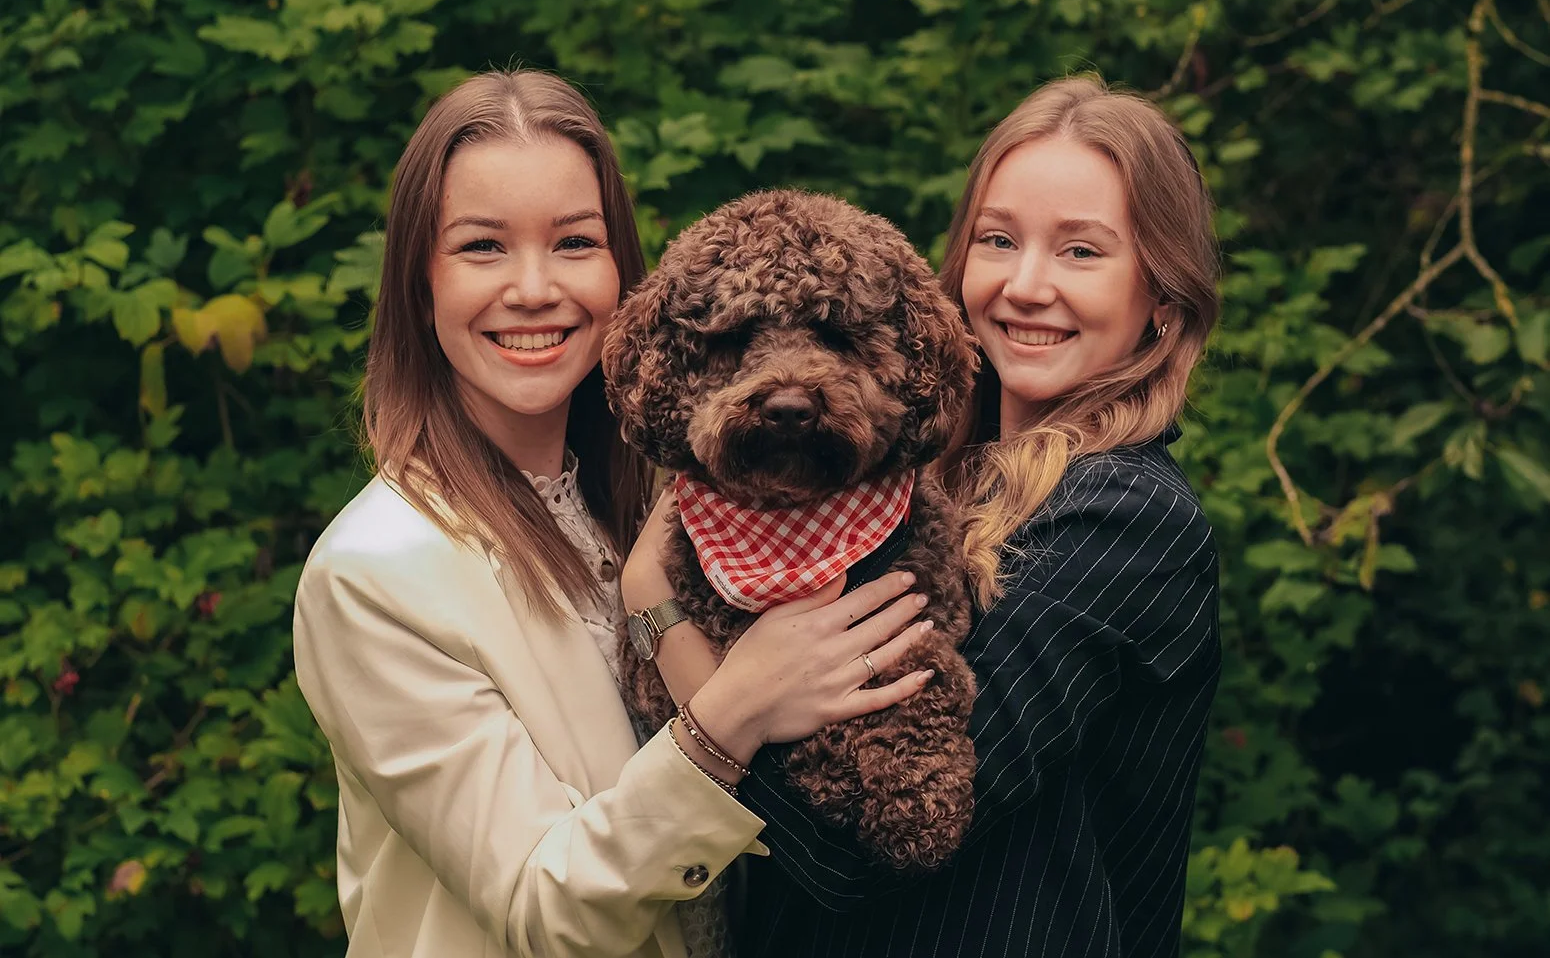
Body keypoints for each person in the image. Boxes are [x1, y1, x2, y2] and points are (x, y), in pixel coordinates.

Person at [291, 69, 931, 958]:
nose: (533, 287)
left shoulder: (680, 515)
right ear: (419, 282)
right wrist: (736, 703)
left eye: (573, 242)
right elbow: (543, 908)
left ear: (624, 276)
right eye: (482, 246)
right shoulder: (375, 572)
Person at [622, 75, 1223, 957]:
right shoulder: (905, 491)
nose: (1027, 285)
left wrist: (659, 613)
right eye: (999, 239)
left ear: (1162, 297)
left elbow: (858, 859)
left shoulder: (1124, 521)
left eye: (1080, 251)